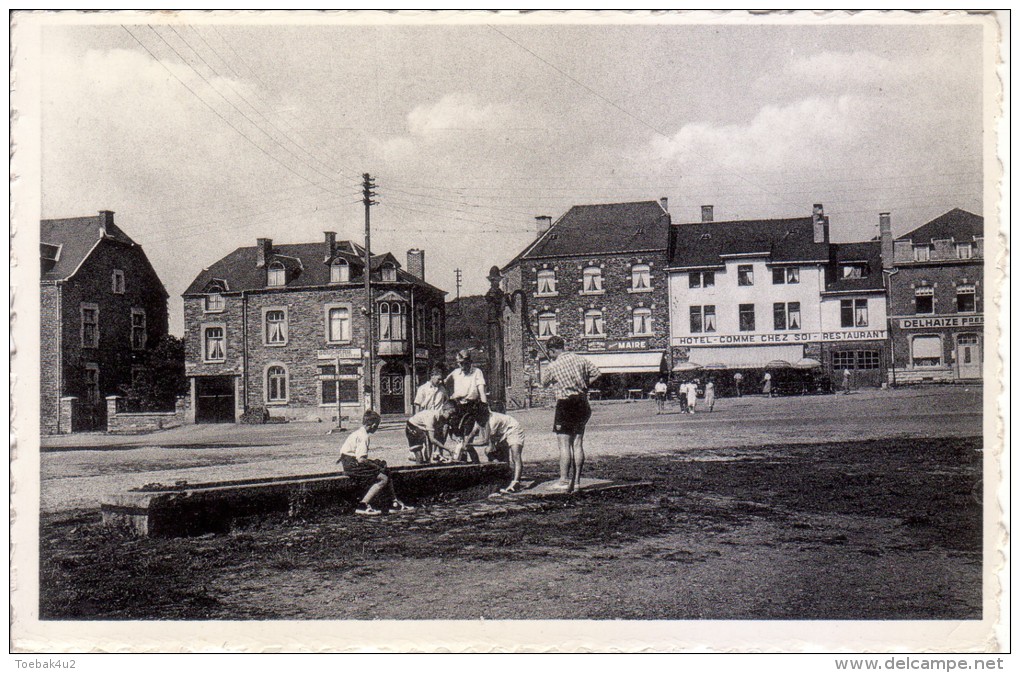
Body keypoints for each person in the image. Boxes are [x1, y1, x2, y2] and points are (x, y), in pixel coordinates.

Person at [541, 335, 601, 494]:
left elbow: (543, 383)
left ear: (552, 350)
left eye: (550, 352)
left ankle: (563, 481)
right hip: (582, 402)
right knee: (578, 443)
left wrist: (548, 366)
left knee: (564, 444)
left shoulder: (553, 365)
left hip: (566, 403)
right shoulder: (580, 359)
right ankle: (576, 483)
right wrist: (584, 385)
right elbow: (597, 373)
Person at [337, 410, 415, 516]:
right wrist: (375, 465)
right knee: (383, 478)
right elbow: (361, 459)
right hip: (353, 465)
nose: (377, 428)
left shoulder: (357, 432)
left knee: (384, 469)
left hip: (348, 462)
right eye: (377, 425)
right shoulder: (364, 437)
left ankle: (394, 503)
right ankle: (363, 505)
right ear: (373, 425)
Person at [474, 406, 527, 494]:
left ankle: (516, 482)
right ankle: (505, 476)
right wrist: (465, 443)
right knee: (491, 453)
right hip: (501, 433)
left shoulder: (492, 421)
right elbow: (473, 433)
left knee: (515, 456)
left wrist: (469, 444)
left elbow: (485, 441)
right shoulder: (479, 420)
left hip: (513, 429)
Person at [445, 349, 488, 457]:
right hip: (458, 406)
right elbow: (444, 381)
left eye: (464, 363)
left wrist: (484, 406)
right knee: (458, 435)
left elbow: (481, 390)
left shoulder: (477, 372)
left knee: (467, 436)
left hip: (471, 406)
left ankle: (474, 462)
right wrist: (449, 395)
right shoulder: (455, 373)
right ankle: (462, 460)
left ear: (470, 362)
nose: (462, 366)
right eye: (460, 363)